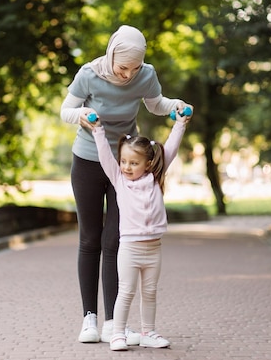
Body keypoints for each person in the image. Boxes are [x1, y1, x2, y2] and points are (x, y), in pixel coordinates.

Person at [59, 25, 193, 345]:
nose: (127, 75)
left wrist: (173, 104)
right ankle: (89, 318)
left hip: (126, 165)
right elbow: (65, 110)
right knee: (90, 238)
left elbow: (155, 103)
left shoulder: (145, 75)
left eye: (134, 69)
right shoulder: (88, 74)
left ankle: (112, 323)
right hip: (89, 161)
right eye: (122, 68)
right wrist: (82, 115)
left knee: (115, 240)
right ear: (111, 54)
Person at [89, 109, 191, 351]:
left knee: (150, 292)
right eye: (124, 161)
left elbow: (171, 149)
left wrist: (180, 124)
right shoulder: (120, 180)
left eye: (134, 163)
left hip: (154, 248)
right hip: (130, 248)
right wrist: (97, 130)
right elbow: (105, 156)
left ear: (148, 163)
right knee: (125, 291)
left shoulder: (155, 178)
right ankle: (117, 334)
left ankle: (148, 332)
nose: (126, 167)